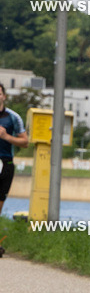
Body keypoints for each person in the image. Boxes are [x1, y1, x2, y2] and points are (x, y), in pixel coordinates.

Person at [0, 85, 29, 217]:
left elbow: (25, 142)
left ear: (4, 97)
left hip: (5, 162)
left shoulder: (13, 117)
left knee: (0, 199)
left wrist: (6, 136)